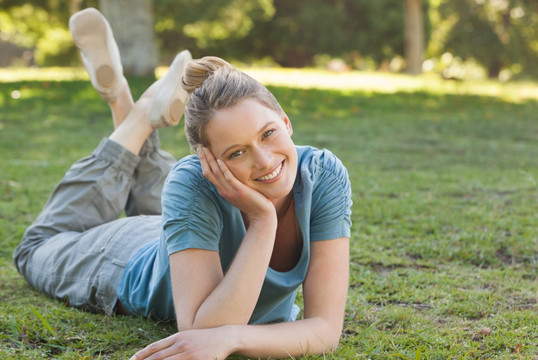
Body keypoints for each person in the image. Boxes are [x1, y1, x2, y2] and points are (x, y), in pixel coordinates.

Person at [13, 7, 352, 360]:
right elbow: (204, 334)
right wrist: (263, 222)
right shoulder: (191, 182)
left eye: (268, 133)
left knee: (172, 203)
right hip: (122, 259)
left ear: (285, 121)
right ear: (209, 161)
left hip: (183, 241)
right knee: (36, 247)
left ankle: (127, 104)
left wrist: (235, 338)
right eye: (236, 153)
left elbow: (325, 330)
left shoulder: (322, 175)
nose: (265, 161)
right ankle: (140, 115)